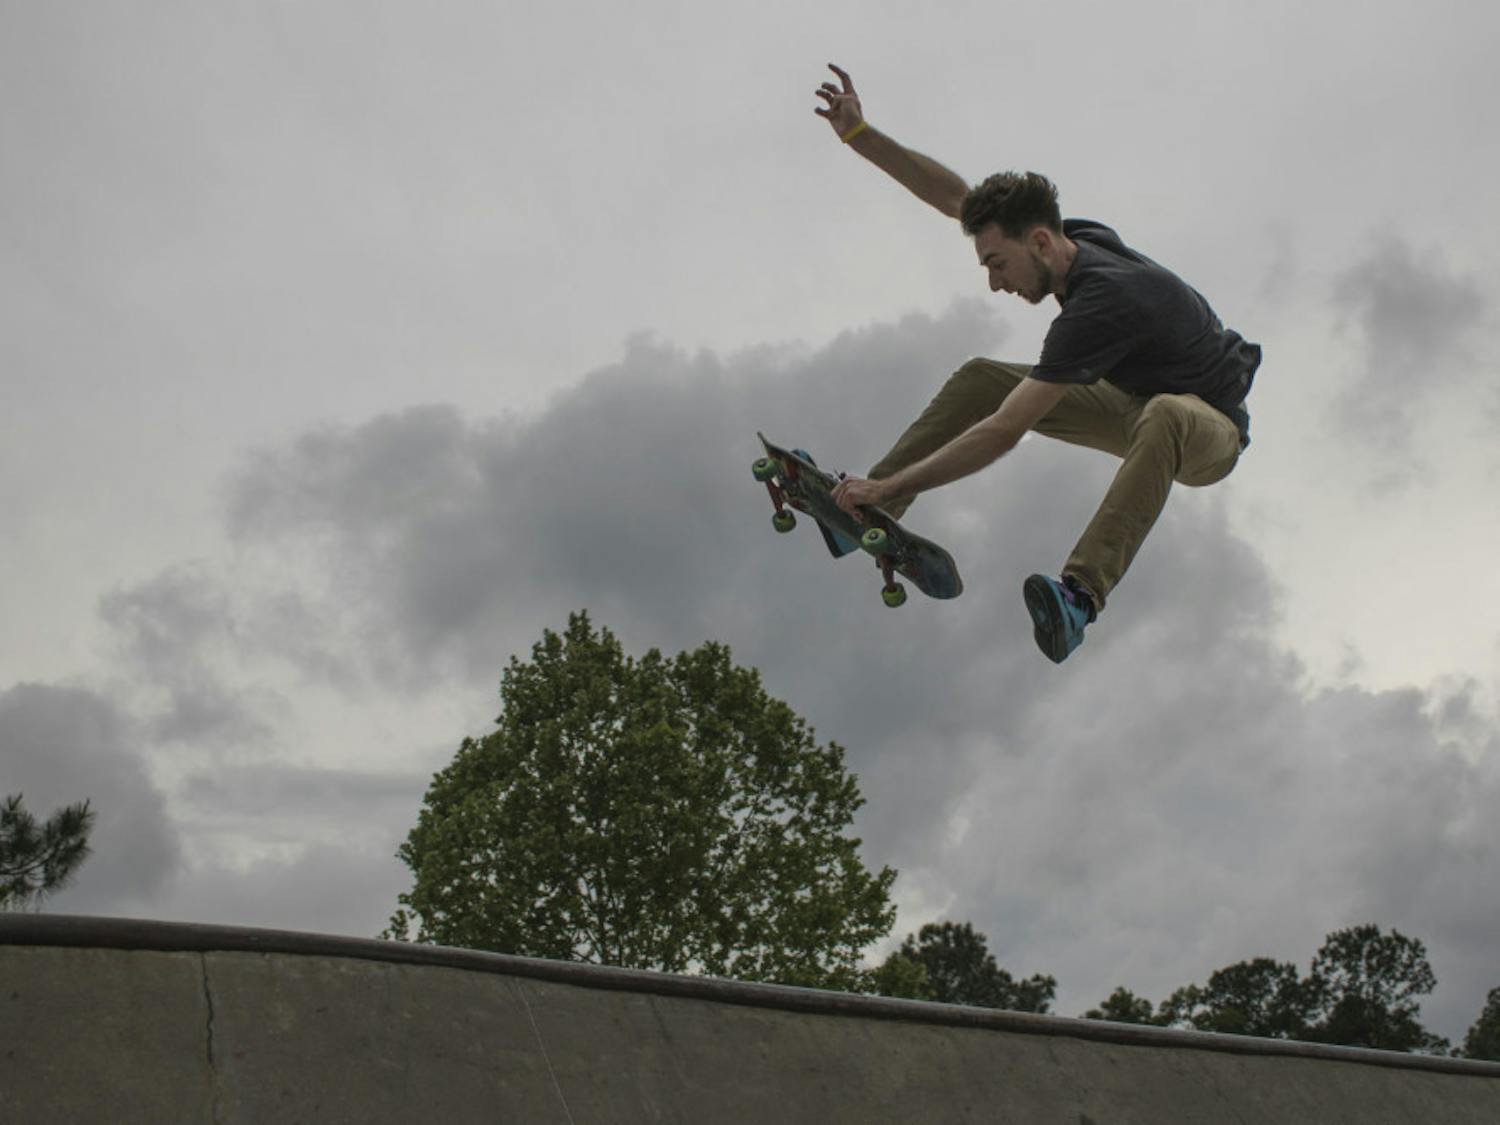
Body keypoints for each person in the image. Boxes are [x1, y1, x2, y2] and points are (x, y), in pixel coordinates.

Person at [817, 64, 1261, 664]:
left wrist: (900, 478)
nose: (996, 284)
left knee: (1163, 415)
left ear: (1040, 245)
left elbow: (1004, 430)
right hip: (1133, 402)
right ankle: (873, 509)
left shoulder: (1099, 307)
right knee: (982, 377)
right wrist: (859, 134)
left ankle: (1080, 596)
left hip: (1210, 432)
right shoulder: (1070, 236)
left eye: (997, 265)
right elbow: (956, 198)